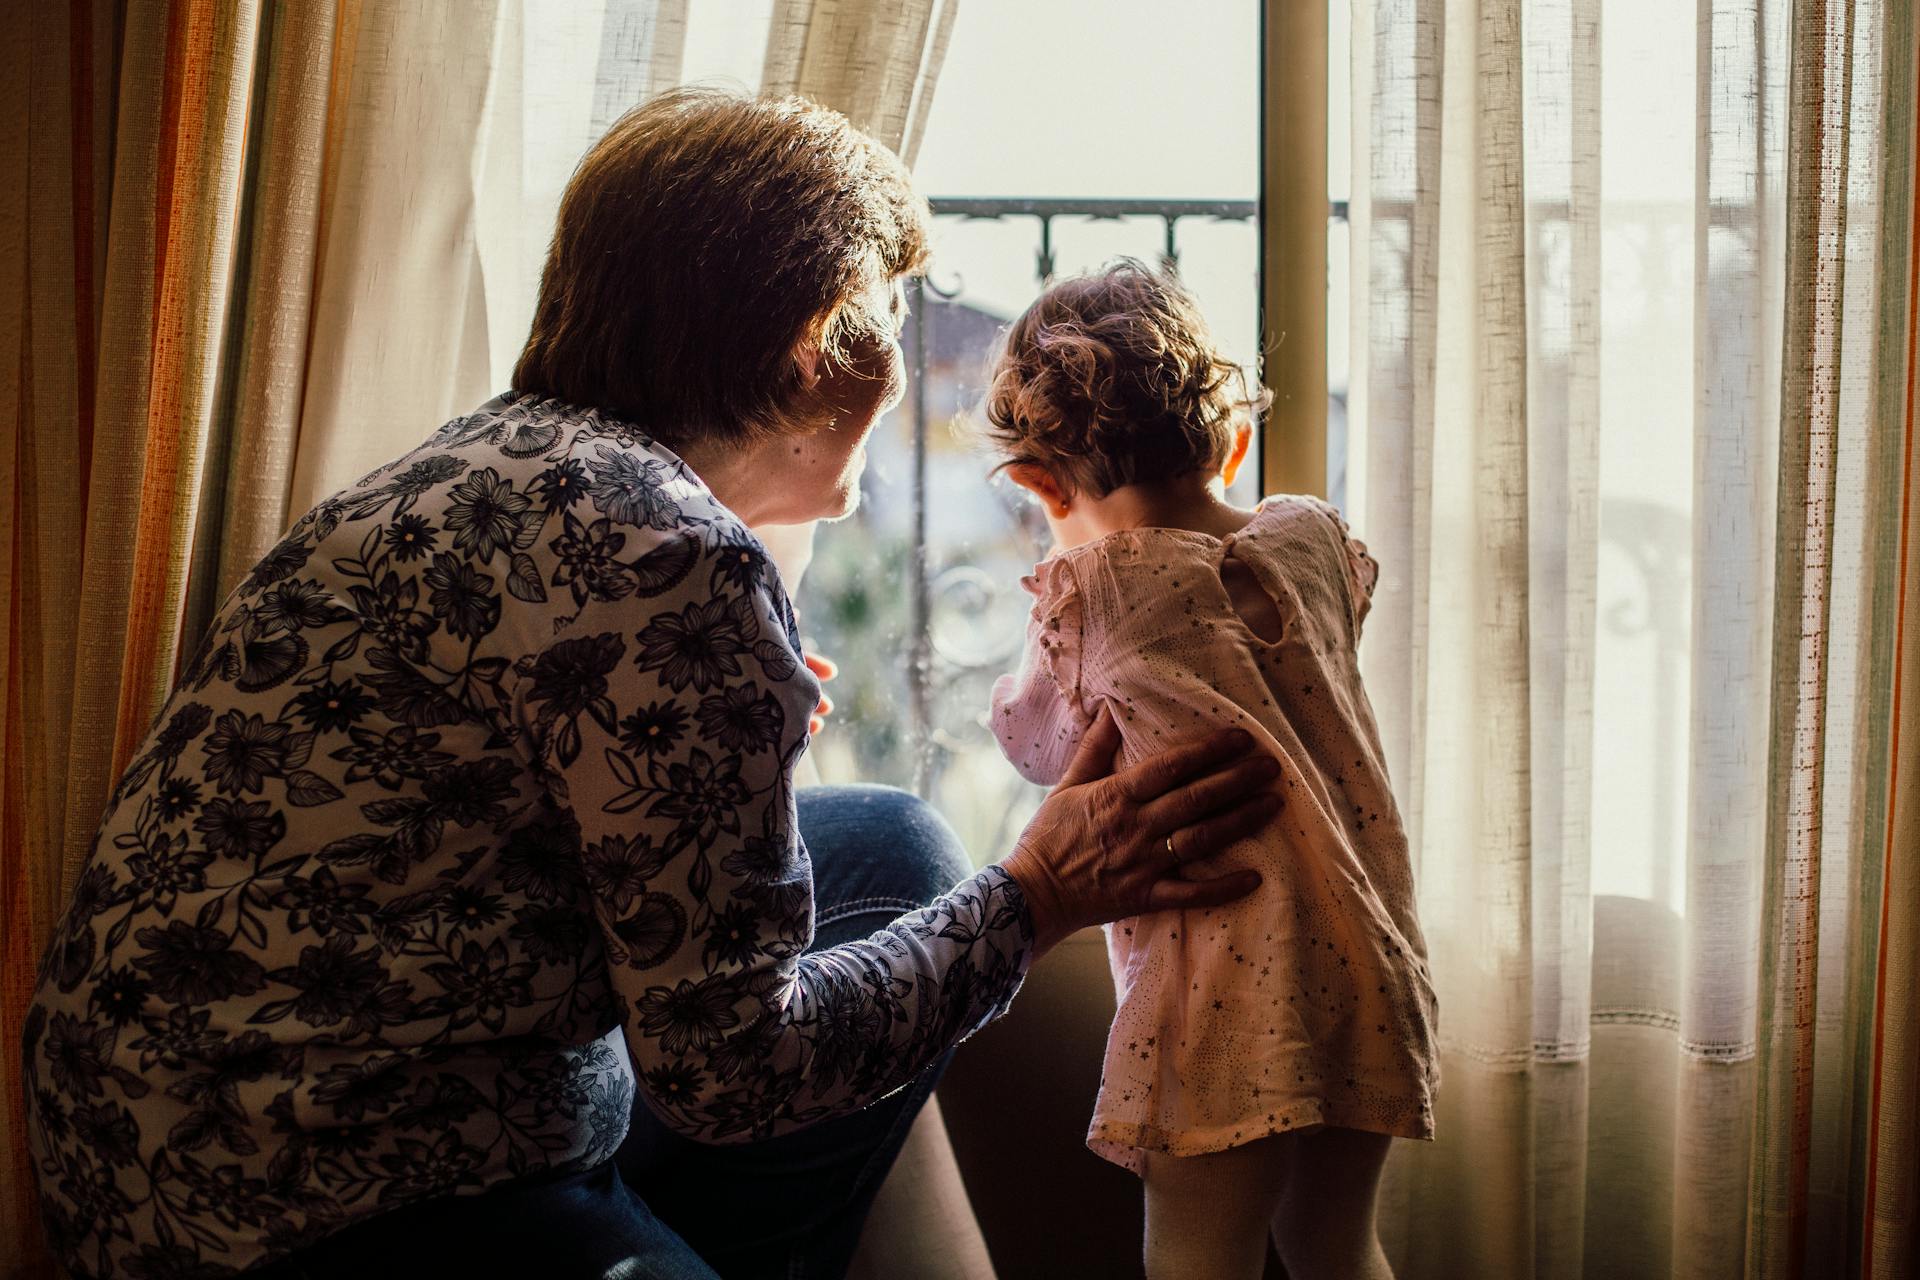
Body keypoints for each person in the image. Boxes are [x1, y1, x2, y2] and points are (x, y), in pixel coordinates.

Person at [19, 94, 1282, 1280]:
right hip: (333, 1210)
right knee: (925, 912)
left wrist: (726, 741)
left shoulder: (483, 460)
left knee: (890, 845)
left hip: (137, 1139)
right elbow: (736, 1069)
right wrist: (1044, 889)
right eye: (887, 319)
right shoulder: (674, 559)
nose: (896, 364)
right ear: (811, 346)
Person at [985, 260, 1439, 1280]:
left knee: (1200, 1255)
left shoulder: (1093, 586)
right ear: (1232, 440)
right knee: (1335, 1242)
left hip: (1223, 991)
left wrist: (1039, 644)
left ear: (1038, 484)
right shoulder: (1310, 537)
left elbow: (1043, 745)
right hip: (1364, 952)